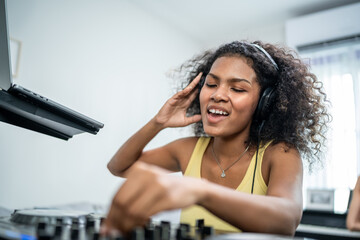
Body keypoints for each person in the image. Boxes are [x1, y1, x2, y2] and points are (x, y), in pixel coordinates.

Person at [102, 41, 330, 236]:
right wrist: (157, 123)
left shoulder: (280, 153)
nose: (217, 95)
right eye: (211, 84)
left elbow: (286, 219)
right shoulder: (188, 150)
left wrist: (200, 191)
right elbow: (119, 167)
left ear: (264, 104)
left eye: (238, 89)